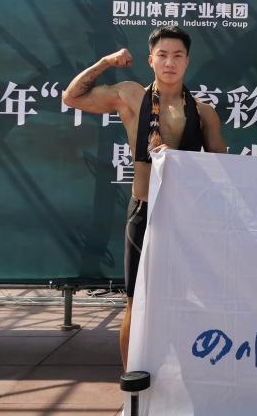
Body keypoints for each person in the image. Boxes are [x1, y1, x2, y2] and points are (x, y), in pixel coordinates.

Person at [62, 26, 226, 369]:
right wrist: (106, 62)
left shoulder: (203, 113)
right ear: (151, 60)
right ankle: (132, 384)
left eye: (177, 56)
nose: (170, 62)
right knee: (135, 303)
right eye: (162, 55)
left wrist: (180, 160)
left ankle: (180, 378)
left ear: (187, 61)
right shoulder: (131, 96)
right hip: (144, 211)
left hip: (185, 217)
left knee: (185, 301)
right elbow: (72, 97)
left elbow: (222, 170)